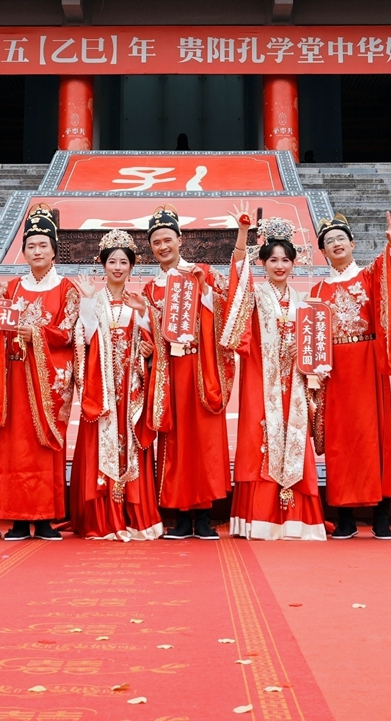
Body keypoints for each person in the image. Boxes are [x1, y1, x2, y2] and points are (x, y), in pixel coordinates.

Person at [221, 213, 327, 540]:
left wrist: (305, 353)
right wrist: (242, 234)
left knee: (295, 440)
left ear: (294, 264)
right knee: (259, 441)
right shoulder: (254, 296)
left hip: (293, 384)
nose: (280, 266)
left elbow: (316, 352)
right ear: (263, 263)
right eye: (273, 260)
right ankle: (258, 519)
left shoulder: (303, 303)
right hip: (260, 380)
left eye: (286, 260)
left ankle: (298, 521)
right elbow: (238, 276)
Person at [316, 210, 391, 539]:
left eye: (341, 238)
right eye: (329, 242)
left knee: (375, 437)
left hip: (368, 362)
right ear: (323, 251)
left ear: (353, 243)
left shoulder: (369, 275)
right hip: (335, 371)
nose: (336, 244)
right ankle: (344, 516)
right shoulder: (317, 291)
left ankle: (381, 515)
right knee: (341, 442)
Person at [70, 230, 166, 540]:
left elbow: (153, 342)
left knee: (132, 447)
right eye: (112, 261)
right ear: (103, 265)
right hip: (102, 389)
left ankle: (135, 517)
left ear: (132, 267)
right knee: (102, 447)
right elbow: (83, 341)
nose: (117, 268)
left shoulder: (140, 301)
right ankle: (103, 519)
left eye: (123, 262)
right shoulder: (94, 300)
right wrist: (85, 303)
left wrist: (146, 337)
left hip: (131, 388)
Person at [145, 207, 233, 540]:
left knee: (203, 440)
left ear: (180, 240)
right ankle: (181, 515)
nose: (163, 246)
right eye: (156, 242)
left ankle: (205, 514)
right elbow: (149, 334)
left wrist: (205, 291)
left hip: (200, 365)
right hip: (170, 370)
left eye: (168, 239)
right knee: (175, 441)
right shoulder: (151, 289)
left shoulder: (203, 273)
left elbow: (225, 310)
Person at [0, 207, 79, 539]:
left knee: (45, 447)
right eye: (32, 246)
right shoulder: (12, 287)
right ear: (24, 250)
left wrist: (37, 335)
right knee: (16, 446)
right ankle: (16, 518)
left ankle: (45, 517)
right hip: (16, 377)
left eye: (44, 245)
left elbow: (69, 332)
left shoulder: (66, 288)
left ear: (54, 249)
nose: (38, 251)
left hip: (48, 380)